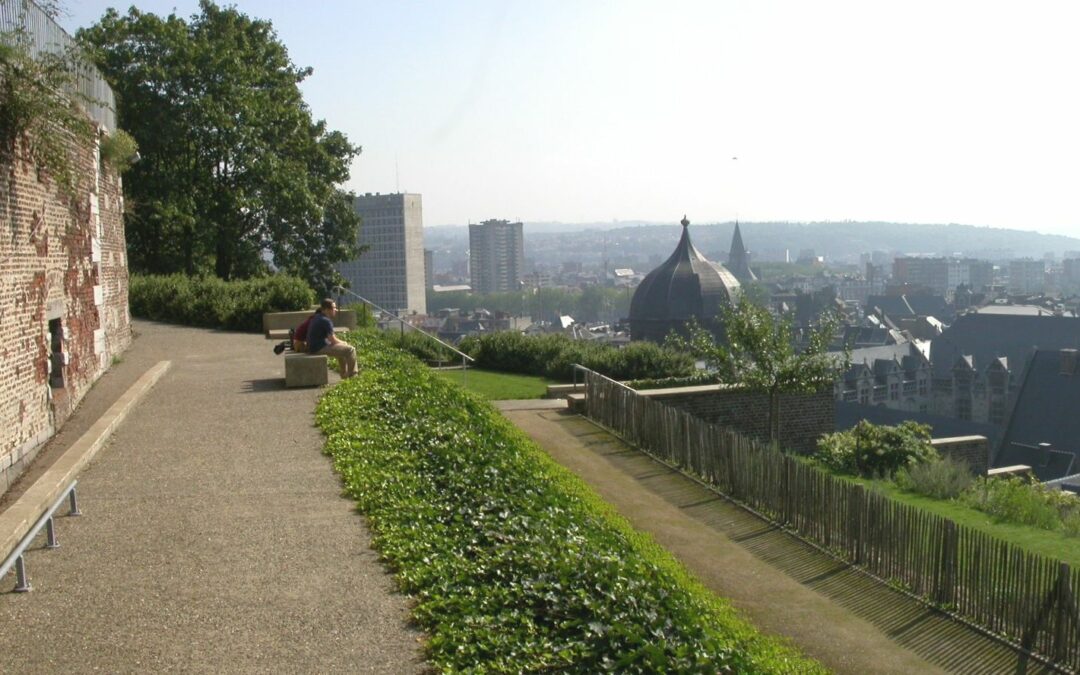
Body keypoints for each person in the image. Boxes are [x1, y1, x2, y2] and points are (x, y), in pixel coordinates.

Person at [306, 298, 357, 379]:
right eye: (334, 308)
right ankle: (352, 375)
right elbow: (333, 340)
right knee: (351, 350)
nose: (336, 310)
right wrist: (344, 342)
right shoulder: (326, 321)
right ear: (326, 310)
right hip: (318, 348)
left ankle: (344, 374)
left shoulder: (318, 317)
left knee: (343, 349)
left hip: (313, 346)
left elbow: (331, 339)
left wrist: (342, 343)